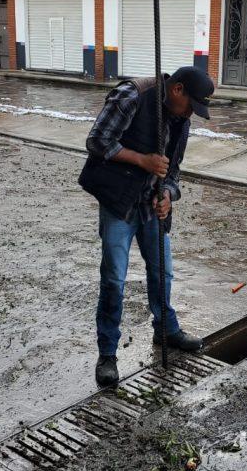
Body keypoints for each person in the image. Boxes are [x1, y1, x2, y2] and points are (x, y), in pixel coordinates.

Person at [79, 66, 214, 387]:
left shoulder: (181, 119)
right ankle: (108, 353)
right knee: (114, 278)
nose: (191, 114)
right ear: (177, 90)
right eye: (191, 105)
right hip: (119, 202)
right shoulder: (134, 95)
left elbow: (174, 170)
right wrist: (142, 160)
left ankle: (165, 329)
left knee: (162, 272)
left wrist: (168, 193)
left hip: (152, 204)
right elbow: (97, 141)